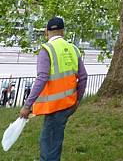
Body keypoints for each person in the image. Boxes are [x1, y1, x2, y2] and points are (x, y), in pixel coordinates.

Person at [19, 17, 88, 161]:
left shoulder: (46, 50)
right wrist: (77, 101)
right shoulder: (73, 49)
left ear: (46, 32)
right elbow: (83, 77)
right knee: (54, 140)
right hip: (68, 104)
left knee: (49, 145)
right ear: (63, 32)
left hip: (55, 106)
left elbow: (42, 78)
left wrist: (27, 105)